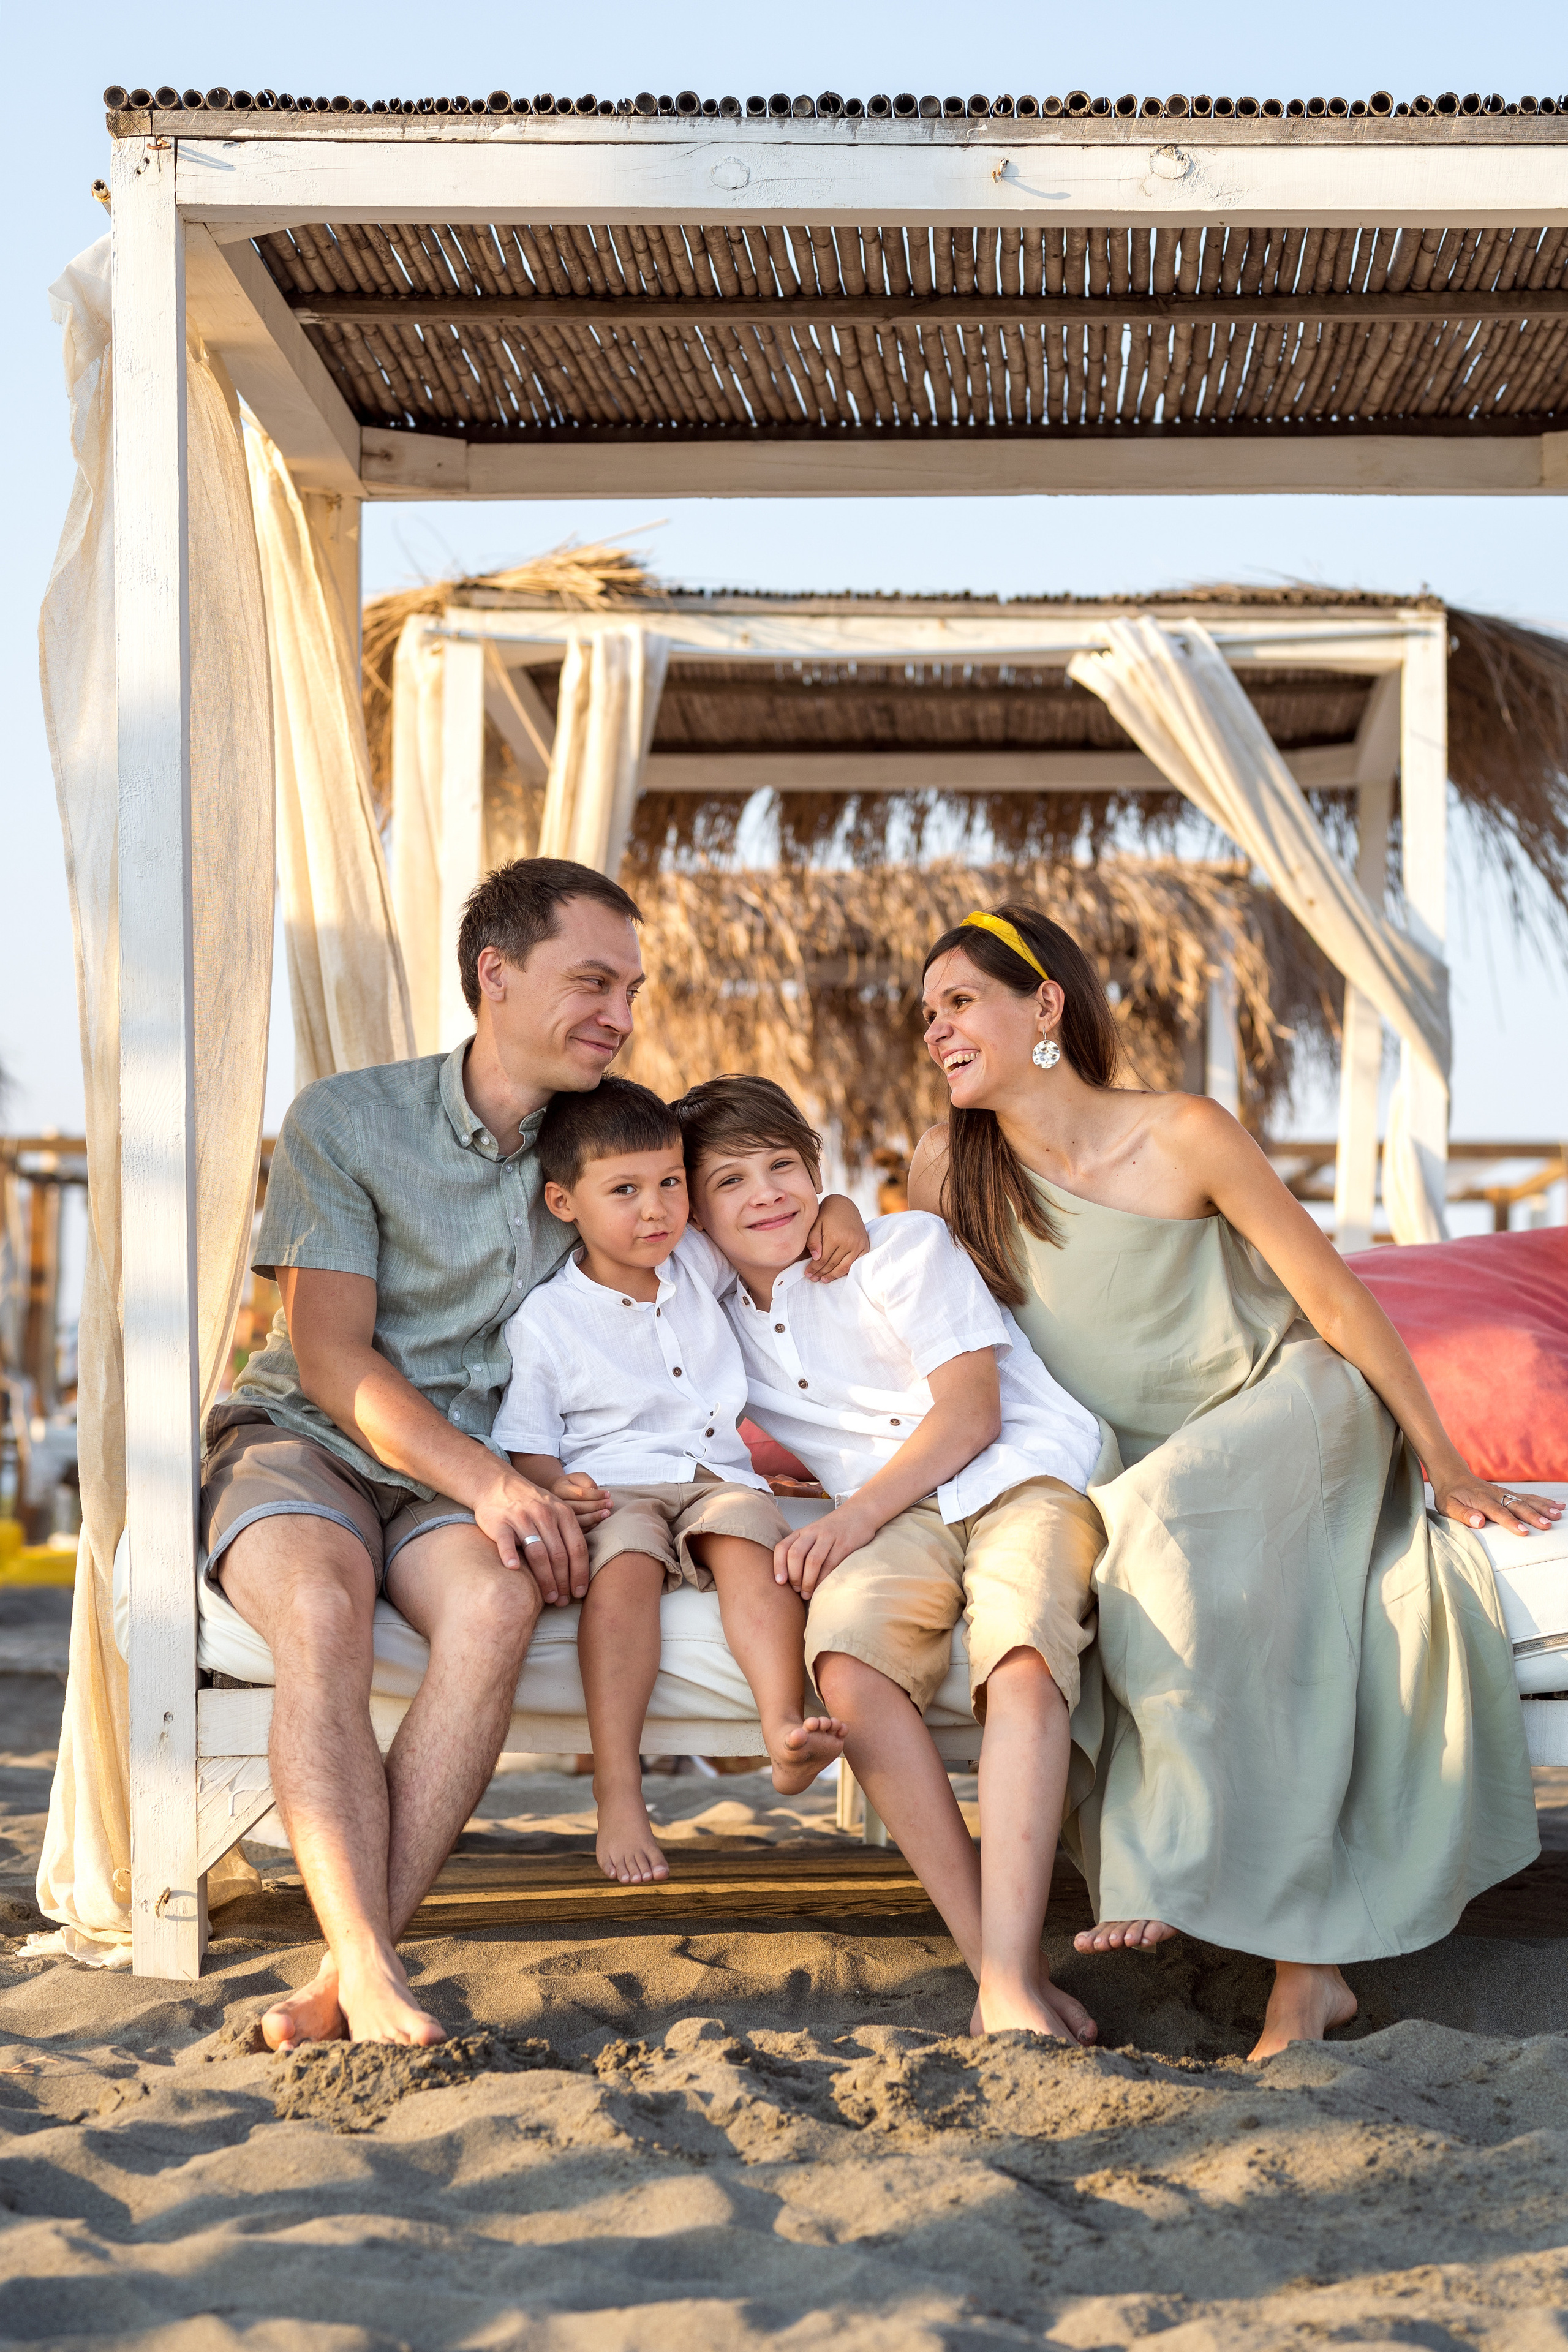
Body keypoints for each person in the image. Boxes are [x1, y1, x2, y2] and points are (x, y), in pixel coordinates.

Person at [205, 859, 864, 2053]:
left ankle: (349, 1970)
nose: (618, 1012)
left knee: (499, 1607)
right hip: (318, 1445)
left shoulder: (617, 1142)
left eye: (630, 988)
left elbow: (758, 1196)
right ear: (494, 976)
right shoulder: (350, 1121)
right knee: (314, 1603)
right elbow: (331, 1361)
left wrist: (839, 1212)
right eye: (591, 981)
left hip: (481, 1480)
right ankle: (364, 1966)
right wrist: (494, 1481)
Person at [909, 902, 1562, 2060]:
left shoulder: (1184, 1131)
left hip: (1293, 1403)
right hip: (1141, 1455)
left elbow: (1336, 1299)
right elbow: (908, 1333)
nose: (938, 1030)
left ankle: (1166, 1862)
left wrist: (1448, 1462)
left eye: (961, 1001)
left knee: (1157, 1521)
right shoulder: (947, 1172)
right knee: (1138, 1523)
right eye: (928, 1015)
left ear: (1045, 1003)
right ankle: (1311, 1981)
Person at [673, 1074, 1109, 2041]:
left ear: (817, 1167)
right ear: (697, 1216)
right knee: (850, 1664)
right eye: (732, 1182)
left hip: (1016, 1474)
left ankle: (1008, 1970)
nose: (766, 1195)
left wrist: (847, 1519)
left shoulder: (902, 1245)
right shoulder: (709, 1317)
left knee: (1023, 1657)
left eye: (785, 1168)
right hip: (892, 1514)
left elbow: (972, 1414)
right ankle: (1001, 1968)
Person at [494, 1077, 846, 1887]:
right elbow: (527, 1448)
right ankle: (619, 1788)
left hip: (714, 1474)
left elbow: (779, 1226)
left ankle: (782, 1729)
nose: (655, 1210)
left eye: (669, 1185)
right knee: (625, 1570)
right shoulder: (546, 1320)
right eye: (624, 1191)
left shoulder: (696, 1259)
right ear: (563, 1202)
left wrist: (842, 1213)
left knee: (751, 1540)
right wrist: (557, 1488)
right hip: (615, 1489)